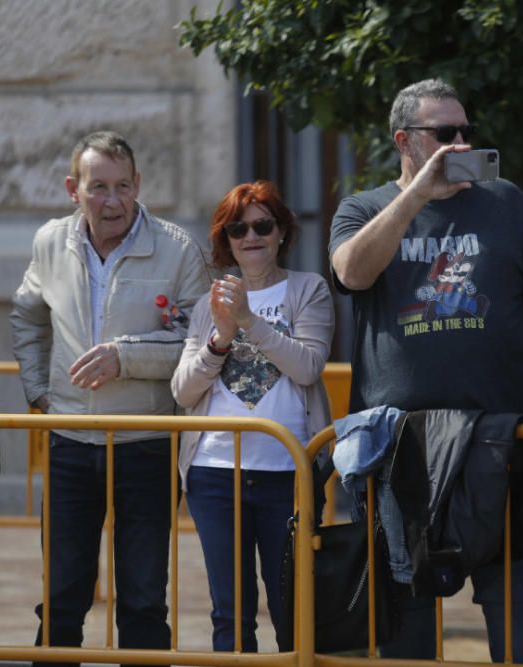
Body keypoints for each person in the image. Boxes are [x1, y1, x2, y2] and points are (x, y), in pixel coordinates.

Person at [328, 78, 523, 664]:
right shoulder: (363, 208)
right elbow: (351, 273)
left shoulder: (504, 201)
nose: (460, 144)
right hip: (400, 441)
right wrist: (416, 196)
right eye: (444, 134)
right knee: (407, 597)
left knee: (510, 585)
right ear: (404, 141)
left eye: (466, 131)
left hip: (496, 433)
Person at [9, 130, 210, 663]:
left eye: (123, 186)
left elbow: (201, 346)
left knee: (144, 600)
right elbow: (26, 317)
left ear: (138, 184)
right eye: (99, 187)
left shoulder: (178, 247)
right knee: (60, 599)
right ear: (74, 189)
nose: (114, 200)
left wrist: (125, 356)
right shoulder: (50, 242)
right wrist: (38, 389)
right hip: (69, 444)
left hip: (147, 443)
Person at [171, 180, 334, 652]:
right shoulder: (207, 305)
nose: (251, 236)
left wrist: (248, 321)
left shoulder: (308, 289)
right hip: (215, 474)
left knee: (293, 610)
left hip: (290, 473)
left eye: (263, 224)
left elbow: (307, 366)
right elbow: (183, 390)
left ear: (282, 231)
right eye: (237, 228)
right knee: (230, 616)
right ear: (226, 241)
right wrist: (219, 340)